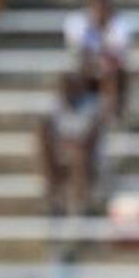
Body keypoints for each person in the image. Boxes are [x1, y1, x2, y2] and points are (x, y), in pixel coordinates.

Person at [36, 68, 103, 216]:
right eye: (64, 87)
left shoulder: (91, 105)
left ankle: (80, 205)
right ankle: (54, 199)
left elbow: (90, 137)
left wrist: (68, 143)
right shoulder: (54, 104)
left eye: (71, 86)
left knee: (78, 154)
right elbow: (45, 130)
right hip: (62, 151)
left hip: (86, 154)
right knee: (45, 146)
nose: (67, 90)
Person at [65, 0, 133, 121]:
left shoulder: (121, 23)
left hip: (111, 71)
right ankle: (70, 118)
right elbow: (78, 53)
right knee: (68, 78)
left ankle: (110, 118)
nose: (99, 7)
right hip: (86, 70)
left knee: (111, 73)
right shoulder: (75, 22)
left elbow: (118, 56)